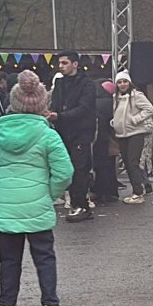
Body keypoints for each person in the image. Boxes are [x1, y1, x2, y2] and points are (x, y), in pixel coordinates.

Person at [0, 70, 74, 306]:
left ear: (14, 102)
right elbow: (64, 172)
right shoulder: (48, 134)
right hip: (38, 206)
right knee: (44, 256)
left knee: (9, 259)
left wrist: (2, 187)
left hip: (7, 207)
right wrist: (48, 194)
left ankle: (7, 305)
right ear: (42, 104)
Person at [47, 51, 97, 222]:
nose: (61, 66)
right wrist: (53, 114)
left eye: (65, 62)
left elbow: (84, 108)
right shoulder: (59, 84)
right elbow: (55, 105)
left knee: (79, 168)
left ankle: (81, 205)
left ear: (75, 64)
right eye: (60, 63)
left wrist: (60, 116)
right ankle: (74, 202)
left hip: (81, 131)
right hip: (63, 131)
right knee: (66, 168)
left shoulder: (87, 84)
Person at [110, 70, 153, 203]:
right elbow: (116, 112)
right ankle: (136, 191)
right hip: (121, 134)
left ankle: (138, 192)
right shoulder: (116, 98)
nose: (122, 84)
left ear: (129, 82)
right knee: (128, 163)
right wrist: (114, 122)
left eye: (125, 81)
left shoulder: (137, 95)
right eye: (119, 82)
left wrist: (135, 119)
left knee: (132, 162)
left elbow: (149, 109)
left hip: (135, 132)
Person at [92, 79, 121, 206]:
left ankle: (99, 192)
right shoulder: (112, 103)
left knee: (98, 166)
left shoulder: (93, 100)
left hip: (95, 137)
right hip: (108, 137)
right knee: (109, 166)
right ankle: (110, 192)